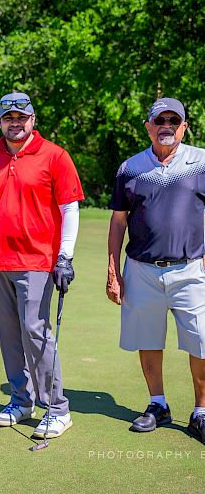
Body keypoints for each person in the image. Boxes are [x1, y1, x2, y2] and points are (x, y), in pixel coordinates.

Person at [0, 92, 84, 438]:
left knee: (35, 330)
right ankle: (21, 400)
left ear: (33, 120)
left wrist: (65, 256)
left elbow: (69, 208)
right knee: (9, 334)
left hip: (37, 260)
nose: (15, 123)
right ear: (0, 122)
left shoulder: (55, 156)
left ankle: (57, 407)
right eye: (8, 118)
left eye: (21, 117)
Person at [107, 97, 205, 444]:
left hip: (191, 268)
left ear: (184, 127)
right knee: (147, 340)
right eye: (159, 120)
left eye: (173, 120)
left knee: (201, 342)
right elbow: (119, 221)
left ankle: (200, 412)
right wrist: (112, 269)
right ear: (148, 127)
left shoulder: (201, 162)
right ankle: (158, 404)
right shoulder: (130, 168)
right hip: (141, 269)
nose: (166, 125)